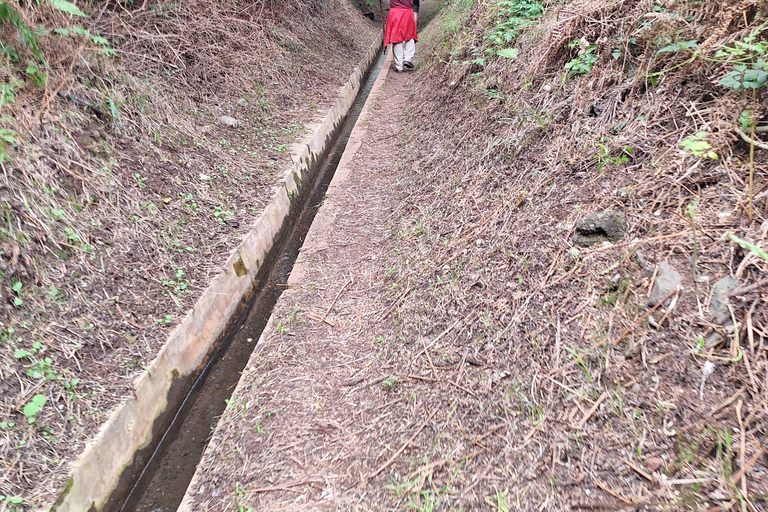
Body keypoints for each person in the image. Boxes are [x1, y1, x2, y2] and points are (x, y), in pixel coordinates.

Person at [384, 0, 417, 72]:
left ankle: (399, 66)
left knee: (396, 38)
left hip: (395, 12)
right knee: (410, 35)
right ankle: (407, 58)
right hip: (407, 12)